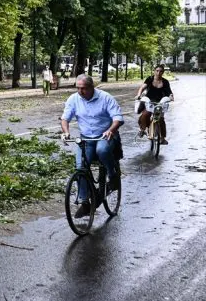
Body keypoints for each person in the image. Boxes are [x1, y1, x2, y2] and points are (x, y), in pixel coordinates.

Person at [59, 75, 123, 218]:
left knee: (102, 150)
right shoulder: (73, 99)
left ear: (92, 87)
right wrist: (66, 132)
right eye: (78, 88)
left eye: (84, 88)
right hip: (86, 138)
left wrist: (111, 130)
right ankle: (85, 201)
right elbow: (65, 118)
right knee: (80, 167)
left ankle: (113, 177)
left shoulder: (105, 98)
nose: (80, 91)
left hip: (105, 135)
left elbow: (118, 118)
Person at [135, 64, 174, 144]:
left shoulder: (165, 82)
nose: (158, 73)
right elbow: (142, 87)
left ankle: (162, 138)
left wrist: (171, 97)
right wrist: (139, 95)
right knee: (145, 114)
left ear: (163, 72)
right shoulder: (149, 79)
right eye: (157, 71)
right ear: (154, 71)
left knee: (160, 118)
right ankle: (142, 129)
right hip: (149, 101)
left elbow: (169, 92)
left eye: (161, 71)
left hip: (160, 102)